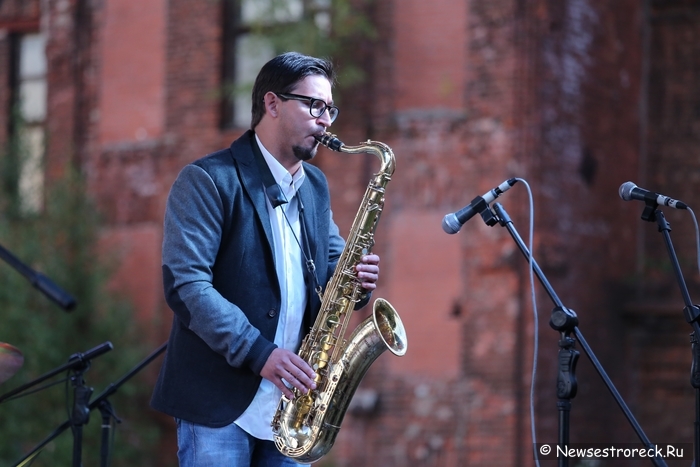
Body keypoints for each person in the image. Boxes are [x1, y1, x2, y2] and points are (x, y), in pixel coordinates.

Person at [150, 51, 381, 467]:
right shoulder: (207, 180)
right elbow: (187, 286)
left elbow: (331, 274)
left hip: (292, 412)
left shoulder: (314, 186)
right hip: (218, 406)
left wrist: (355, 283)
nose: (326, 119)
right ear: (272, 104)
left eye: (331, 109)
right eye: (314, 105)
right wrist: (260, 353)